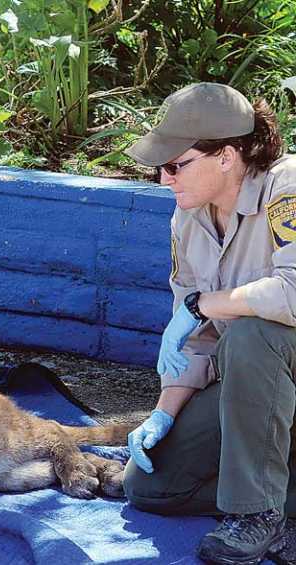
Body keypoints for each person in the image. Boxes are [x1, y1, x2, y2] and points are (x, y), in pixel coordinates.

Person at [122, 82, 296, 564]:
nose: (163, 179)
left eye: (176, 165)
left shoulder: (289, 185)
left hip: (279, 371)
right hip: (256, 395)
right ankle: (280, 503)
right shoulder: (189, 217)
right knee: (149, 486)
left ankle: (258, 514)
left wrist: (205, 304)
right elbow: (195, 341)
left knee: (253, 331)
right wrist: (164, 411)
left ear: (227, 156)